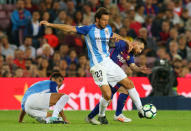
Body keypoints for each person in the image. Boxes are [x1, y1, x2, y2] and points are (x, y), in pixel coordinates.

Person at [40, 7, 144, 125]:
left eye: (107, 20)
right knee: (107, 94)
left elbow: (113, 34)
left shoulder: (108, 28)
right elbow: (70, 28)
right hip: (97, 65)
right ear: (97, 19)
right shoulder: (89, 29)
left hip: (109, 63)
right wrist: (50, 24)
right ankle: (101, 115)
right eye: (103, 20)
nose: (105, 22)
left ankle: (141, 110)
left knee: (129, 83)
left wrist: (126, 41)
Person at [86, 38, 151, 124]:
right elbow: (109, 44)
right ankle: (137, 110)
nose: (140, 51)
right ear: (135, 43)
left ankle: (92, 117)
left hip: (113, 75)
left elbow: (132, 66)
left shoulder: (130, 54)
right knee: (127, 86)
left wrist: (139, 69)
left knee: (110, 96)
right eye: (140, 48)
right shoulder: (123, 44)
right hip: (106, 69)